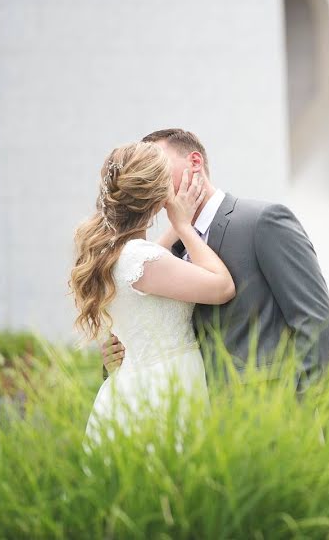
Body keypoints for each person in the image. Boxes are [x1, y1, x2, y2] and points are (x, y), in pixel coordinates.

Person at [99, 129, 329, 399]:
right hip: (195, 417)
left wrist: (297, 403)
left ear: (195, 163)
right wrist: (115, 359)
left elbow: (315, 319)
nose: (152, 175)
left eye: (159, 164)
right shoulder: (159, 253)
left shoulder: (262, 222)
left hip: (270, 411)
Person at [70, 141, 234, 448]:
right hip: (165, 389)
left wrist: (173, 228)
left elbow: (149, 269)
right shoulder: (139, 259)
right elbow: (223, 287)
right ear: (160, 198)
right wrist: (184, 226)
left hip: (134, 385)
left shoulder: (113, 252)